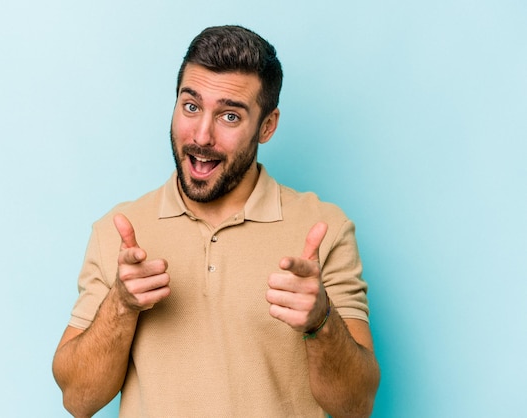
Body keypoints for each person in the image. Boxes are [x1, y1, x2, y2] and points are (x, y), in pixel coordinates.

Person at [53, 25, 380, 418]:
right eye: (191, 106)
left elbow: (357, 406)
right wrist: (121, 305)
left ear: (267, 125)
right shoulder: (120, 231)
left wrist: (321, 321)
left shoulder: (323, 228)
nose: (202, 135)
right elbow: (78, 400)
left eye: (229, 115)